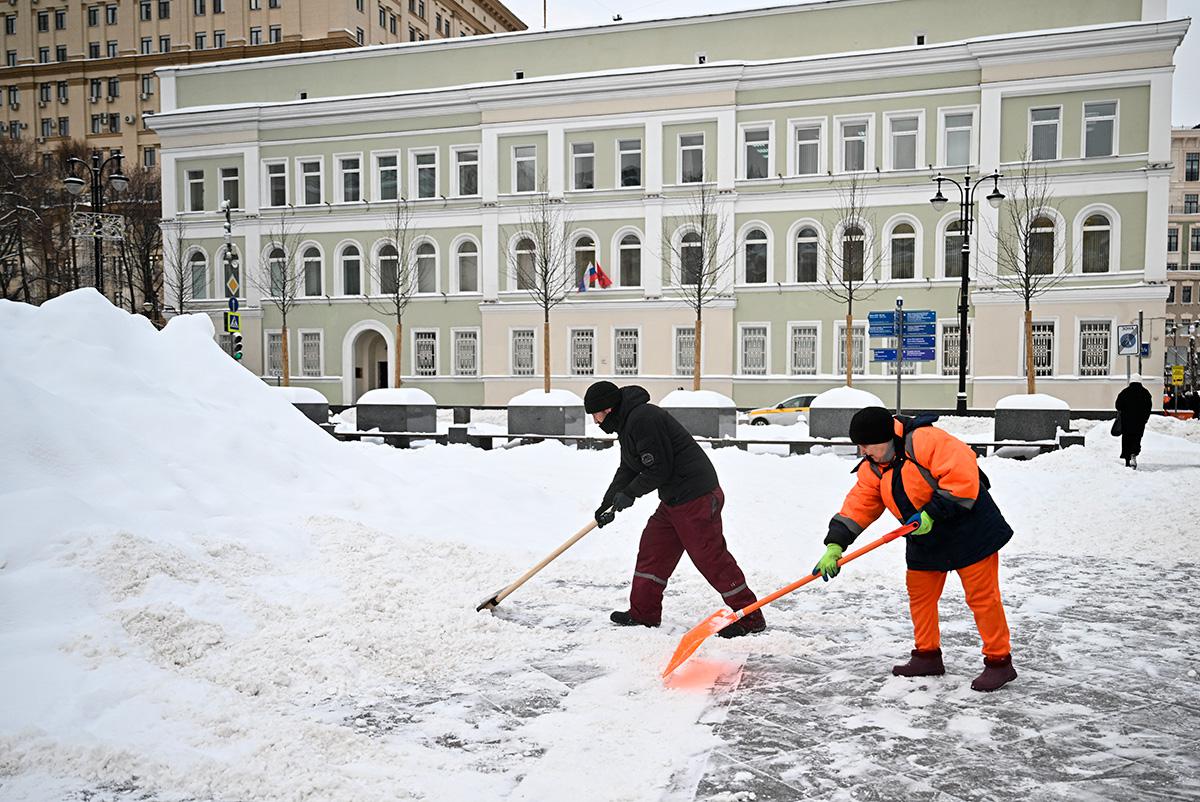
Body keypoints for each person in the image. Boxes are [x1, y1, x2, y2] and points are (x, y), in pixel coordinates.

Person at [812, 407, 1017, 692]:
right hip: (923, 535)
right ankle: (927, 656)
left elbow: (963, 477)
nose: (863, 451)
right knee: (920, 596)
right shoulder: (874, 467)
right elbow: (860, 504)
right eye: (859, 446)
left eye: (867, 445)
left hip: (969, 528)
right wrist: (835, 543)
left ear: (886, 438)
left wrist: (932, 512)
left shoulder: (926, 441)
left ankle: (999, 662)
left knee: (982, 598)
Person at [584, 380, 766, 638]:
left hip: (697, 496)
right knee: (653, 548)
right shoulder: (627, 424)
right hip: (674, 499)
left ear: (609, 409)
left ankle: (750, 617)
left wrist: (629, 495)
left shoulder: (643, 419)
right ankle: (643, 613)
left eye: (596, 414)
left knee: (710, 558)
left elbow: (658, 469)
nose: (595, 421)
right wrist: (609, 501)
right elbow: (628, 467)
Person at [1115, 378, 1153, 468]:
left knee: (1127, 439)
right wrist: (1145, 418)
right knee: (1137, 438)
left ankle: (1127, 460)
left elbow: (1118, 405)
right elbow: (1148, 407)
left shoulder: (1125, 392)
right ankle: (1134, 454)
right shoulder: (1145, 393)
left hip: (1126, 421)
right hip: (1139, 422)